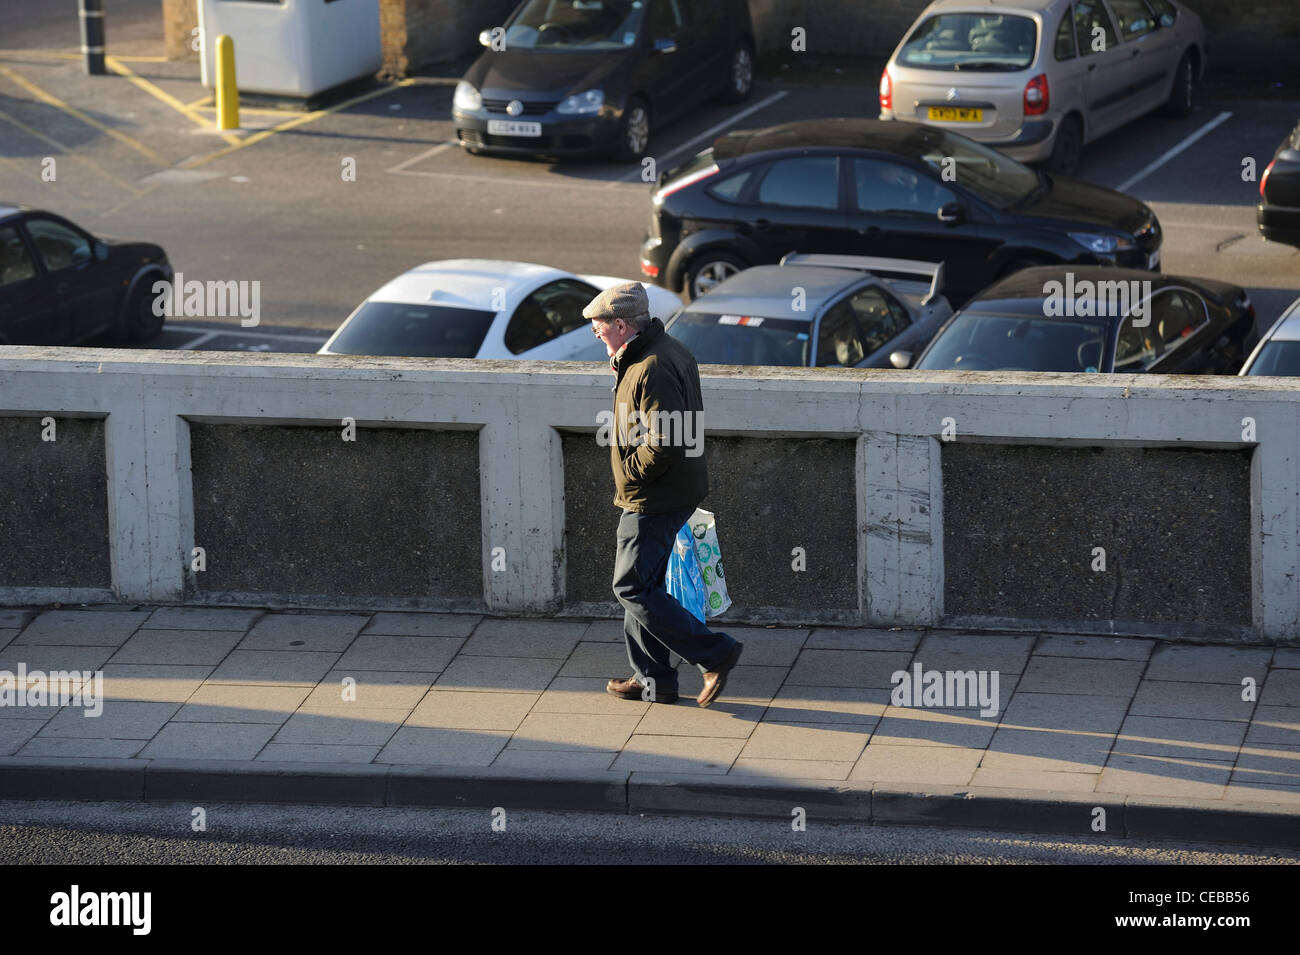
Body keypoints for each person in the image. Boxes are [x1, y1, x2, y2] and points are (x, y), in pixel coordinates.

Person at [584, 282, 743, 707]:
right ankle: (653, 679)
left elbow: (667, 439)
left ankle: (715, 652)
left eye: (598, 327)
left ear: (620, 325)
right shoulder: (664, 352)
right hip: (671, 489)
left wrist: (632, 475)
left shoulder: (651, 365)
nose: (595, 335)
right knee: (646, 583)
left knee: (632, 586)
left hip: (655, 495)